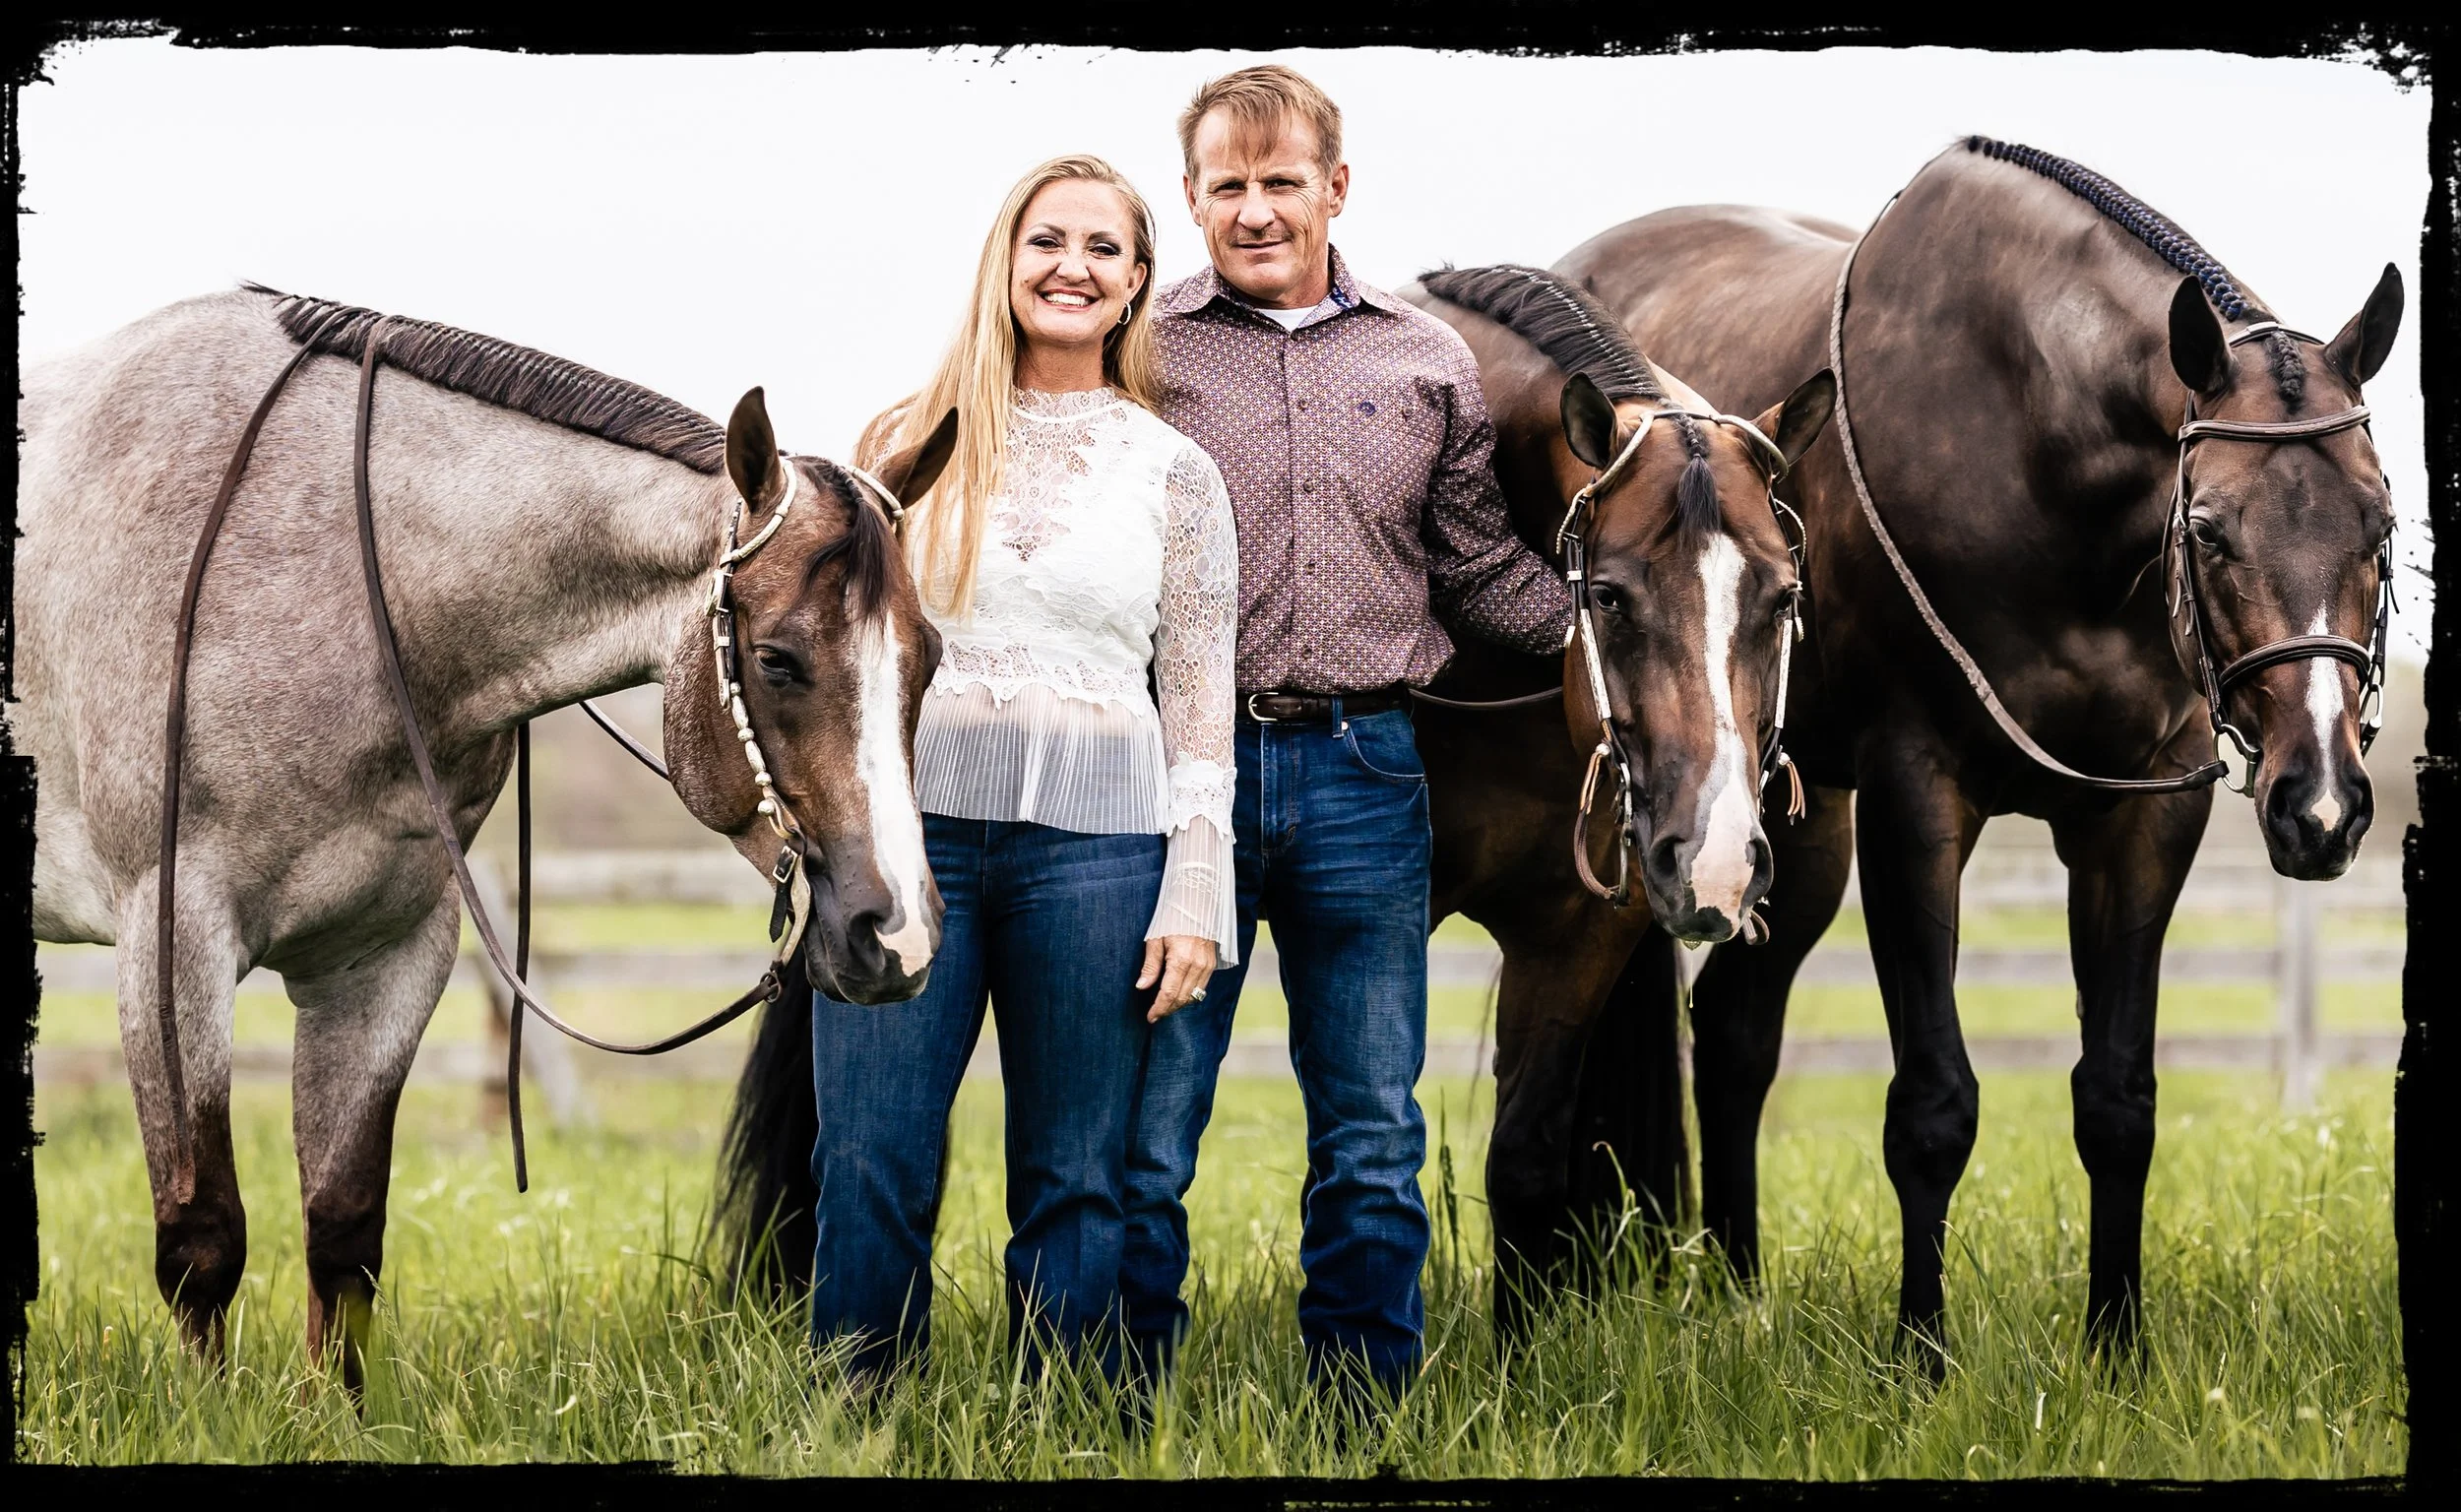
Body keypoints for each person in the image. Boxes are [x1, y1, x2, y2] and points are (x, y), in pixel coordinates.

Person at [1120, 66, 1576, 1402]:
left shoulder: (1425, 360)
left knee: (1372, 1130)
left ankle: (1360, 1412)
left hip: (1366, 774)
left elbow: (1474, 563)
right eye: (1228, 186)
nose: (1256, 210)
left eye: (1281, 181)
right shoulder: (1145, 354)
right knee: (1147, 1130)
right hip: (1180, 782)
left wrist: (1611, 633)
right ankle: (1118, 1399)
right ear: (1192, 197)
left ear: (1336, 186)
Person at [811, 154, 1238, 1383]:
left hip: (1099, 859)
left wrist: (1194, 882)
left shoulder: (1176, 471)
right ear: (1005, 260)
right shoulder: (898, 443)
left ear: (1138, 282)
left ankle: (1066, 1429)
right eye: (1047, 240)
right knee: (870, 1156)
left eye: (1104, 249)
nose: (1073, 268)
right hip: (913, 849)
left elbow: (1197, 692)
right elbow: (839, 664)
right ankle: (856, 1418)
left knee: (1077, 1174)